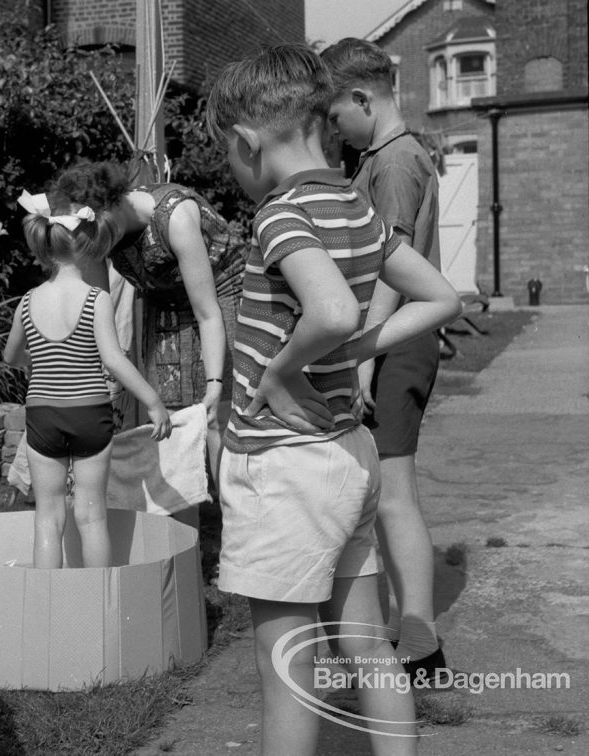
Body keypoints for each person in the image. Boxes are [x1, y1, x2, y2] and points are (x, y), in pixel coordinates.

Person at [205, 44, 460, 756]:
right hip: (350, 455)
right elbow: (441, 297)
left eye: (229, 156)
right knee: (365, 644)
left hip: (286, 467)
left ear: (247, 142)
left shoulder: (280, 214)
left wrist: (282, 373)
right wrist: (353, 352)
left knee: (286, 661)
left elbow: (332, 313)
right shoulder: (353, 201)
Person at [322, 37, 448, 678]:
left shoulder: (396, 161)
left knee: (394, 493)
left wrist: (366, 355)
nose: (334, 130)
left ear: (362, 98)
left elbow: (392, 271)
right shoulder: (384, 154)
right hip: (388, 338)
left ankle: (423, 644)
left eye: (336, 114)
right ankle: (402, 625)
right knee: (382, 490)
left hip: (393, 339)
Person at [3, 190, 172, 569]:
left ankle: (46, 607)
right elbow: (113, 359)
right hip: (90, 414)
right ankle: (97, 606)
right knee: (92, 516)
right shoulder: (95, 298)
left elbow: (11, 356)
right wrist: (153, 402)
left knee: (48, 516)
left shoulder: (28, 301)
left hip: (43, 414)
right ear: (86, 246)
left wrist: (39, 364)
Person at [51, 161, 246, 477]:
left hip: (222, 289)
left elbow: (208, 313)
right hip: (165, 299)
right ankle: (183, 520)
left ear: (113, 205)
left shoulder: (175, 216)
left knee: (218, 411)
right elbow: (100, 316)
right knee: (170, 415)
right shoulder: (94, 234)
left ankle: (231, 511)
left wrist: (214, 383)